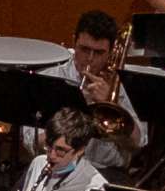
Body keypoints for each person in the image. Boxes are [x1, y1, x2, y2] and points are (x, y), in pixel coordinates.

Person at [41, 10, 146, 160]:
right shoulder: (51, 77)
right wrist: (77, 107)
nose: (90, 59)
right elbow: (33, 141)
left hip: (106, 171)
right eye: (84, 49)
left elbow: (137, 144)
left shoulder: (123, 84)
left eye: (98, 53)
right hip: (55, 163)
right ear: (73, 42)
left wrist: (112, 104)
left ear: (110, 52)